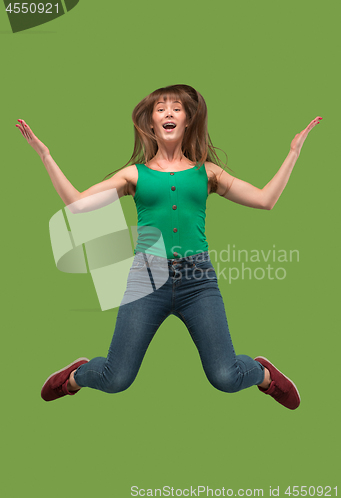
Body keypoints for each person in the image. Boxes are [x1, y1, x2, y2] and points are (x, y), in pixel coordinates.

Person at [16, 84, 322, 409]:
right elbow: (77, 204)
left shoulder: (208, 173)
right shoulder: (134, 175)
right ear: (151, 123)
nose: (168, 113)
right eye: (160, 109)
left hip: (198, 282)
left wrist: (293, 153)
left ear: (188, 120)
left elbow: (265, 199)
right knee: (115, 377)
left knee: (226, 377)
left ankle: (264, 375)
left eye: (176, 108)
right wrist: (45, 156)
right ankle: (75, 377)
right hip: (146, 280)